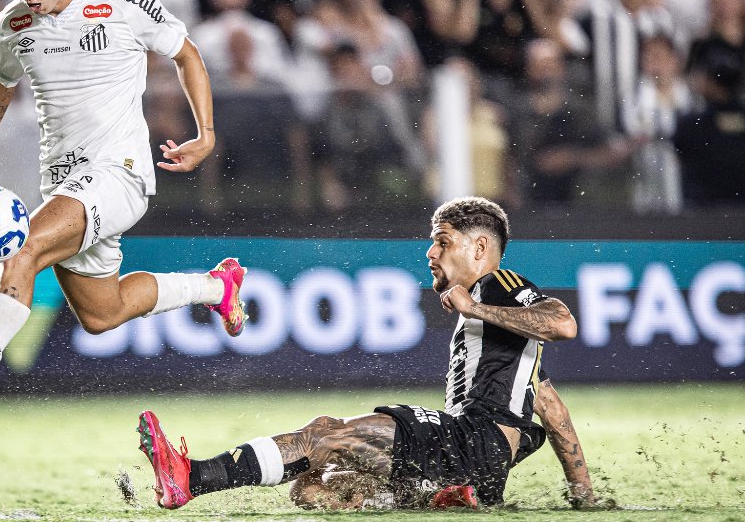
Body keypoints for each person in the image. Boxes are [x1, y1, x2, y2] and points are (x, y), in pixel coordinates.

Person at [0, 0, 248, 423]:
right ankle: (216, 287)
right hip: (65, 184)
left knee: (20, 248)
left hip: (120, 171)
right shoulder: (14, 22)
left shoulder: (122, 3)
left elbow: (187, 55)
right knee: (102, 313)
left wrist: (206, 134)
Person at [136, 196, 585, 510]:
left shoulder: (499, 285)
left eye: (443, 241)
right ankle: (449, 496)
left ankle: (191, 478)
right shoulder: (501, 337)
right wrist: (582, 490)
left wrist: (475, 306)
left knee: (323, 435)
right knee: (312, 491)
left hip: (473, 442)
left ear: (480, 247)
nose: (431, 252)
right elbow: (550, 408)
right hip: (477, 462)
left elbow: (563, 322)